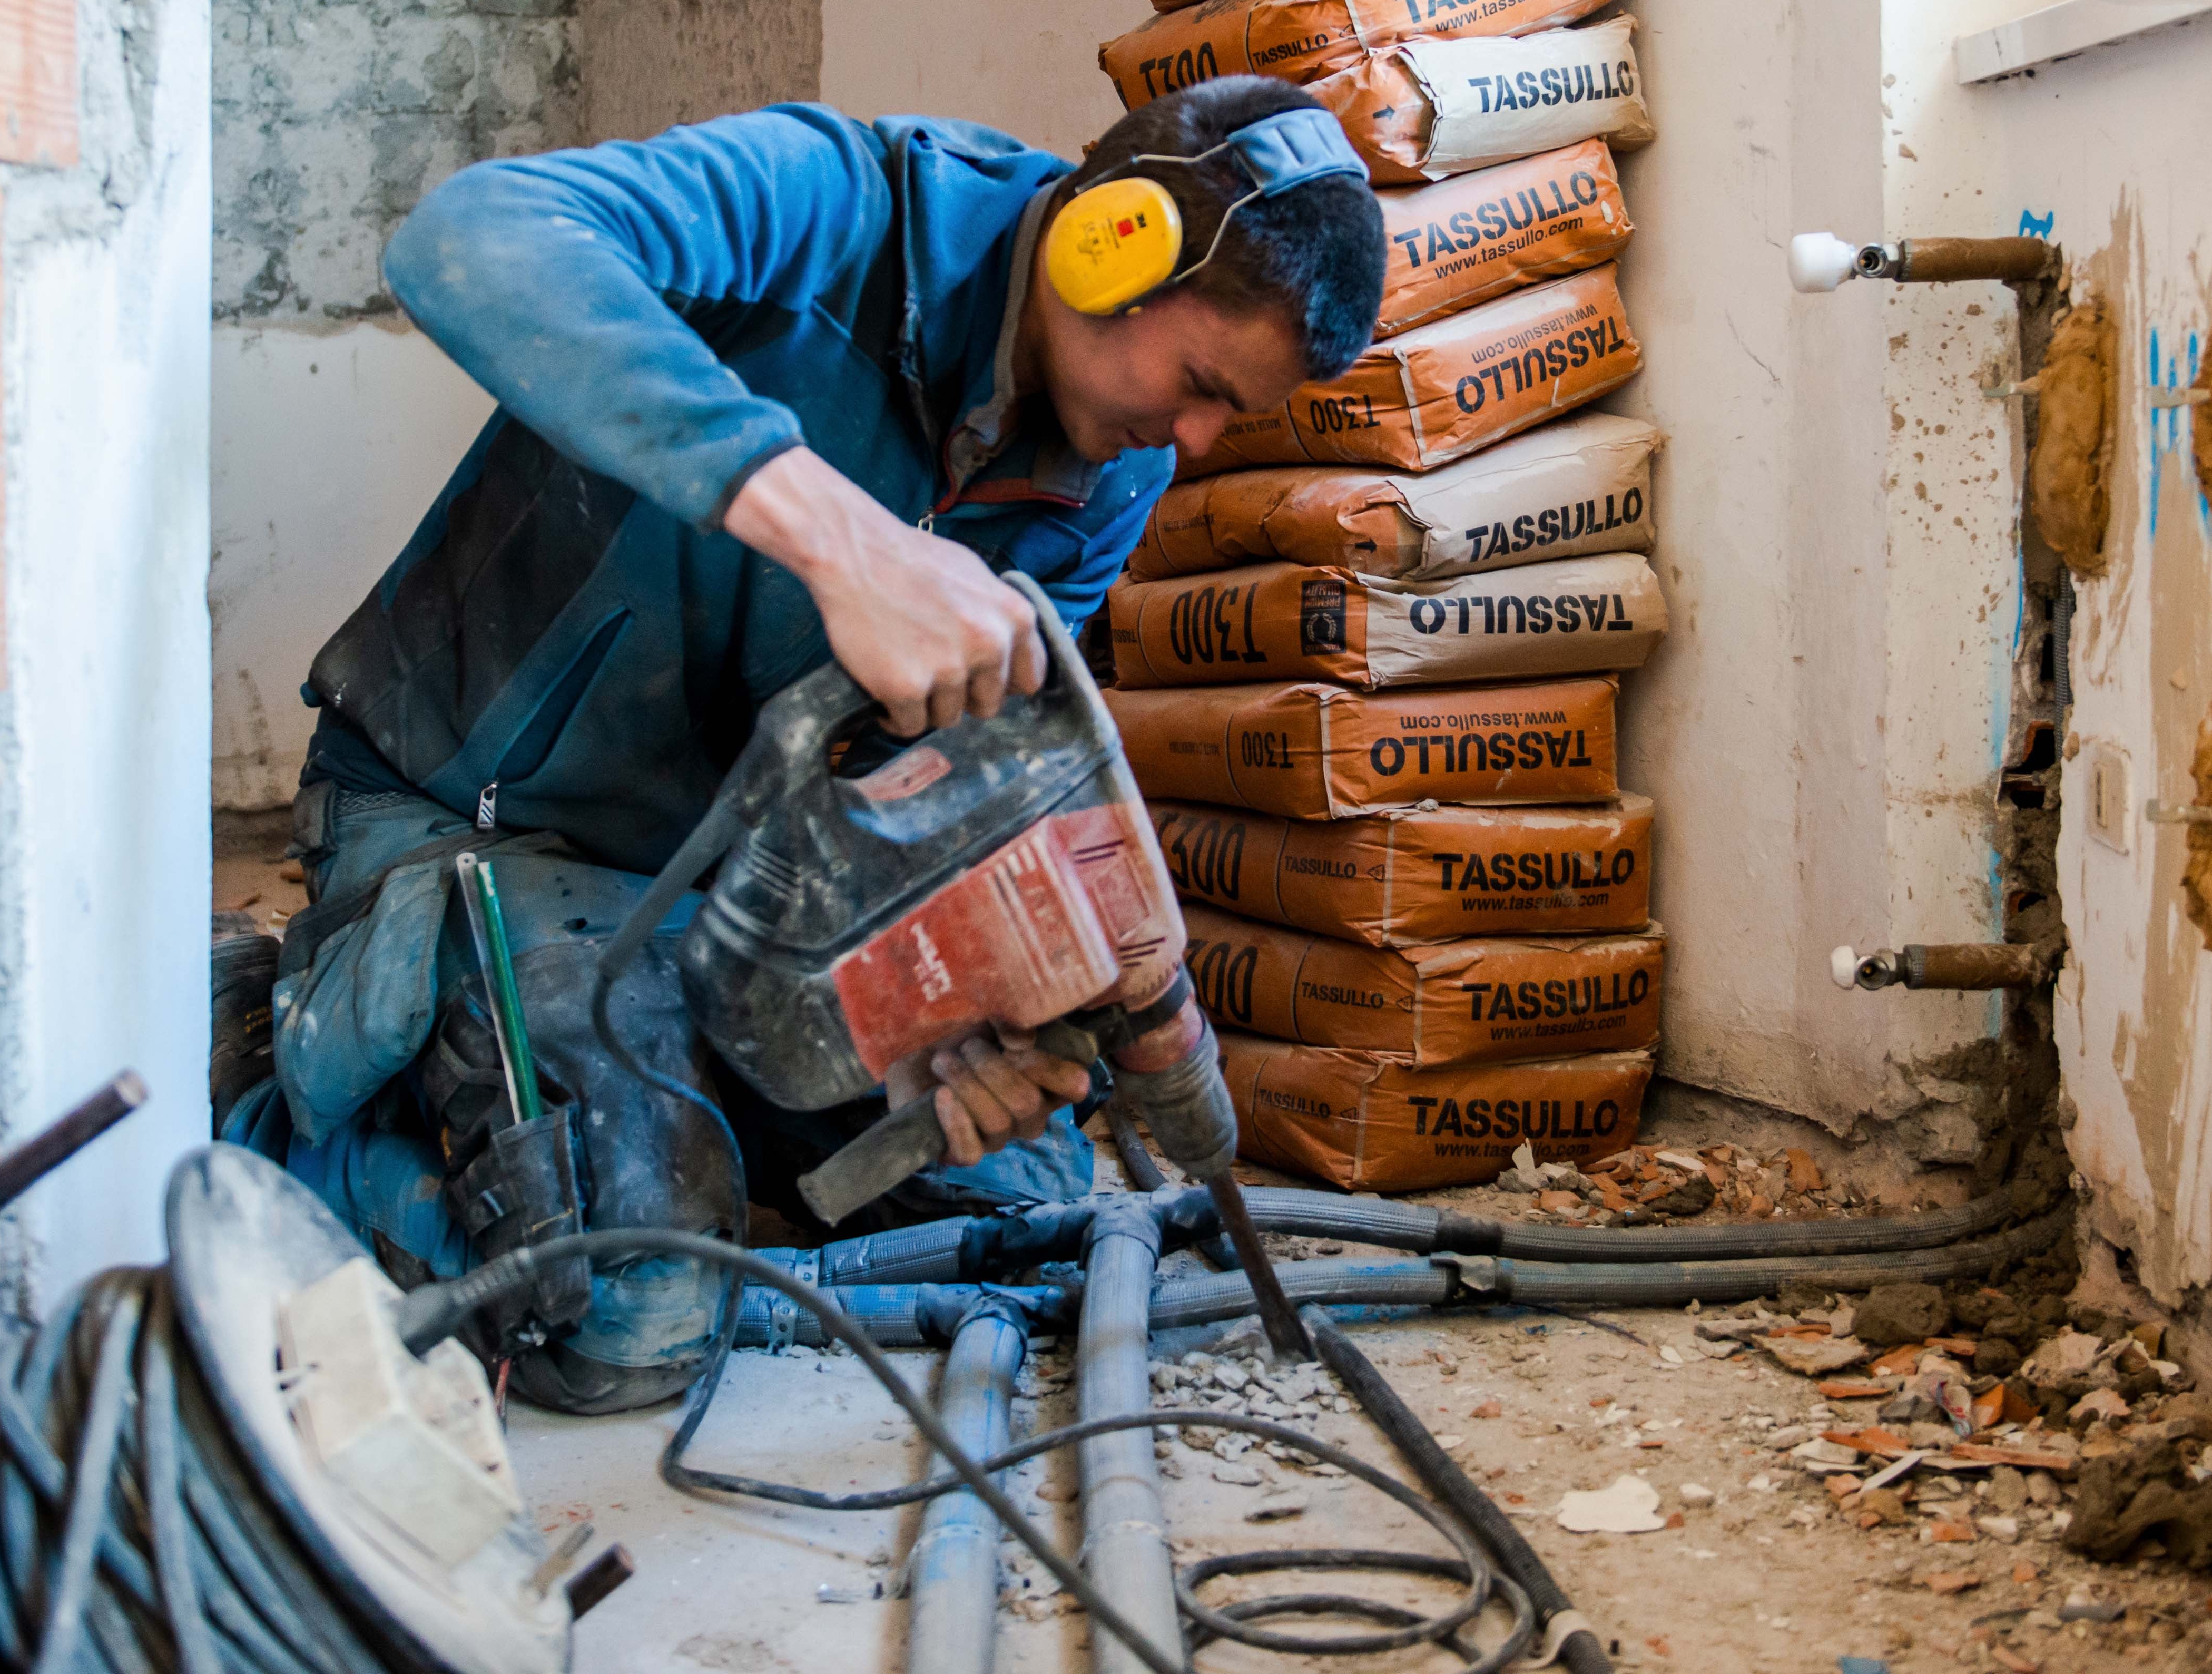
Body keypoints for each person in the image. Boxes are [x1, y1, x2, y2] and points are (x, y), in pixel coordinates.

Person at [231, 76, 1385, 1408]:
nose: (1189, 446)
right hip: (468, 821)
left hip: (729, 898)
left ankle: (647, 1102)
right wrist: (838, 534)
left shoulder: (1106, 472)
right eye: (1197, 385)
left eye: (1225, 416)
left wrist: (943, 1026)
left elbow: (934, 798)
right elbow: (471, 237)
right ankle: (281, 1070)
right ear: (1107, 241)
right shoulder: (840, 206)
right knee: (627, 1299)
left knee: (1008, 1204)